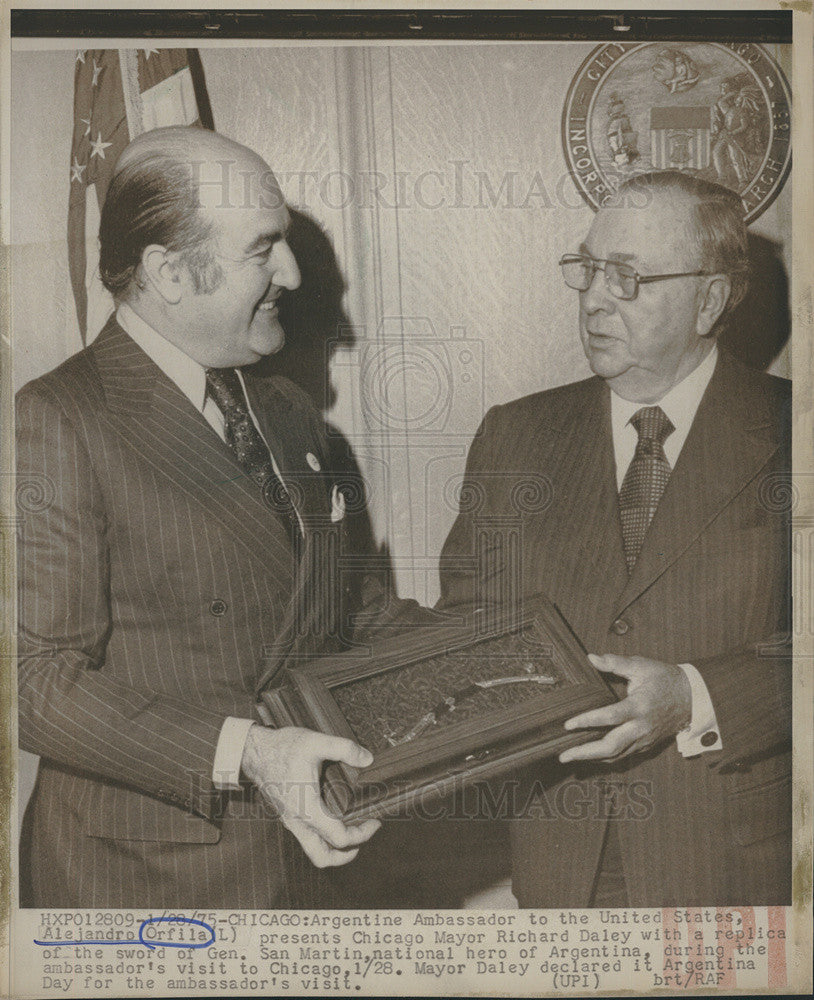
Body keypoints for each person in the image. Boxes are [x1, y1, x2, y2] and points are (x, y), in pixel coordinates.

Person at [16, 125, 382, 908]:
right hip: (148, 882)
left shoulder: (286, 411)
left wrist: (522, 658)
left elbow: (349, 615)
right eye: (263, 249)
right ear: (169, 272)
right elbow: (36, 683)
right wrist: (247, 753)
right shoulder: (57, 418)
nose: (291, 271)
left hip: (305, 858)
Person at [438, 171, 791, 907]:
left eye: (628, 276)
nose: (596, 297)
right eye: (589, 269)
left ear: (711, 300)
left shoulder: (799, 433)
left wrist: (695, 696)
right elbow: (466, 624)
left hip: (735, 863)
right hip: (558, 858)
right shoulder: (516, 434)